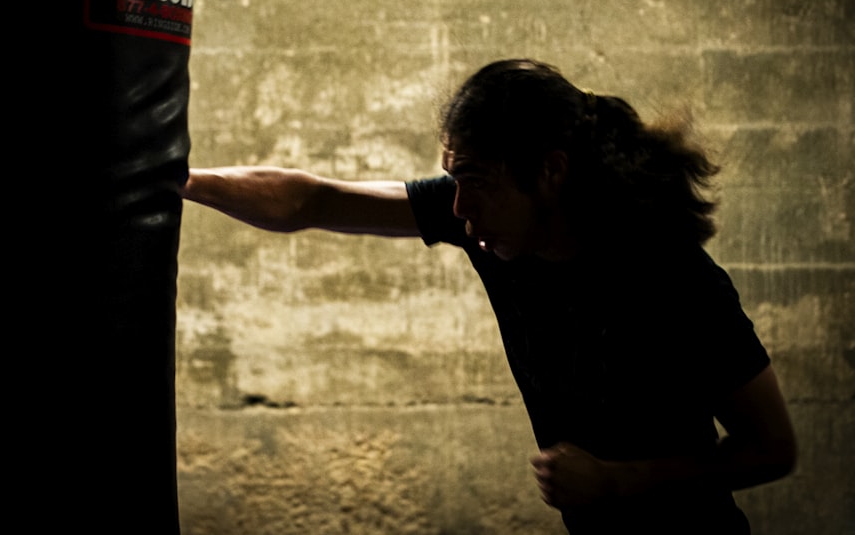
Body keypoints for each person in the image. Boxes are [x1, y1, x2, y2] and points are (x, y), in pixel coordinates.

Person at [181, 58, 797, 534]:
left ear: (551, 173)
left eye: (474, 181)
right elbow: (312, 200)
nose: (457, 208)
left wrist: (618, 481)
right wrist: (174, 178)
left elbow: (773, 448)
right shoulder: (487, 225)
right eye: (453, 179)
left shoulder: (672, 280)